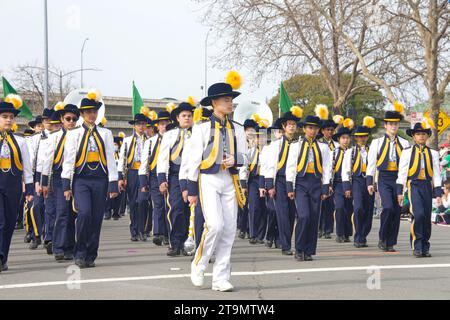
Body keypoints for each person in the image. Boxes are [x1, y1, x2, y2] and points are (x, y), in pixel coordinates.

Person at [187, 79, 247, 292]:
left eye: (231, 99)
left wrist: (237, 160)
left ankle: (220, 278)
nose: (230, 103)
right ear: (214, 102)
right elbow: (192, 160)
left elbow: (245, 155)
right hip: (209, 179)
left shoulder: (237, 129)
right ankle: (199, 263)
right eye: (226, 99)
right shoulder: (201, 128)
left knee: (230, 229)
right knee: (215, 225)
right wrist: (192, 190)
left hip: (229, 179)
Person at [61, 89, 119, 268]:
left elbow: (110, 158)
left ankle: (91, 254)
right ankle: (80, 252)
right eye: (88, 112)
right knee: (84, 214)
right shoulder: (73, 134)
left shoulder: (106, 133)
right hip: (81, 179)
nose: (91, 115)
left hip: (100, 179)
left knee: (96, 218)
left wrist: (113, 184)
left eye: (94, 111)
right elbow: (69, 159)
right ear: (82, 114)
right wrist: (66, 185)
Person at [285, 111, 332, 262]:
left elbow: (327, 167)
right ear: (304, 129)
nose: (312, 131)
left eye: (315, 128)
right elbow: (291, 167)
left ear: (318, 130)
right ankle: (299, 249)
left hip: (316, 182)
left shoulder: (323, 147)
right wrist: (289, 188)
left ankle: (309, 250)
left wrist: (325, 187)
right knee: (304, 216)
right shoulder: (296, 146)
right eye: (309, 128)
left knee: (313, 217)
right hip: (301, 183)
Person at [366, 102, 410, 252]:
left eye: (396, 124)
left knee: (397, 210)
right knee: (388, 207)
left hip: (398, 179)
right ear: (385, 125)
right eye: (390, 124)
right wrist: (370, 182)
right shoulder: (376, 142)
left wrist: (406, 183)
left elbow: (406, 166)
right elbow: (371, 164)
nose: (393, 127)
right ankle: (382, 237)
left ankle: (390, 242)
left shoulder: (404, 143)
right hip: (384, 178)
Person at [396, 117, 442, 257]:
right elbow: (402, 172)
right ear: (413, 136)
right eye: (418, 134)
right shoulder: (407, 152)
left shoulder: (433, 153)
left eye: (423, 134)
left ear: (427, 136)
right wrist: (400, 192)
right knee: (419, 214)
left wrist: (438, 194)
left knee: (426, 217)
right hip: (413, 185)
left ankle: (425, 246)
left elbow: (436, 175)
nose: (421, 136)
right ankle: (417, 245)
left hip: (427, 186)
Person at [41, 103, 79, 261]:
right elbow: (47, 160)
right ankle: (58, 247)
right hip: (57, 177)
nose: (71, 122)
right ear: (62, 120)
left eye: (74, 119)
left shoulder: (79, 135)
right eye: (68, 119)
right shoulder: (54, 137)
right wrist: (44, 183)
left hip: (74, 177)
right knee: (62, 212)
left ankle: (70, 247)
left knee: (72, 213)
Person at [0, 94, 34, 272]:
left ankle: (3, 256)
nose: (8, 120)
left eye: (11, 117)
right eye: (4, 117)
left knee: (10, 222)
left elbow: (27, 167)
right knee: (1, 221)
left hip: (13, 186)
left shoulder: (20, 141)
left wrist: (29, 188)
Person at [157, 102, 195, 256]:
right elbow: (163, 158)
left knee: (191, 211)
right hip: (174, 175)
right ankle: (175, 242)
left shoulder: (198, 134)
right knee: (177, 209)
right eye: (184, 116)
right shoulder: (170, 135)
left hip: (192, 176)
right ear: (178, 118)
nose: (187, 118)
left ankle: (189, 242)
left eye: (189, 116)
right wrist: (161, 179)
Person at [265, 106, 302, 256]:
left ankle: (283, 239)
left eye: (294, 124)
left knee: (292, 214)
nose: (292, 127)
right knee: (282, 213)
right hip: (280, 180)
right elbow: (269, 166)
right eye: (289, 124)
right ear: (284, 127)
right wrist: (270, 185)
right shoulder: (275, 145)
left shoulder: (300, 144)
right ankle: (285, 244)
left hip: (294, 181)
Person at [342, 116, 376, 248]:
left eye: (364, 136)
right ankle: (358, 236)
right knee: (358, 208)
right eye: (359, 136)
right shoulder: (350, 152)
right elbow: (345, 169)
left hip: (369, 181)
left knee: (368, 210)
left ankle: (364, 234)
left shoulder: (372, 150)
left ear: (367, 137)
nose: (362, 139)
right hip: (357, 181)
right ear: (355, 138)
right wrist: (347, 187)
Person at [139, 109, 171, 246]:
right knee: (158, 205)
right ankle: (158, 233)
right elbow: (144, 163)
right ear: (157, 125)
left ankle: (170, 233)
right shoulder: (150, 142)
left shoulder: (175, 139)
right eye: (161, 124)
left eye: (166, 123)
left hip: (171, 175)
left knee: (170, 205)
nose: (164, 126)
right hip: (154, 176)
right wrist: (143, 182)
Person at [118, 111, 149, 241]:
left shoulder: (149, 140)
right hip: (131, 173)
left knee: (142, 201)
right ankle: (134, 230)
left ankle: (142, 230)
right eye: (138, 124)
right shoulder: (127, 140)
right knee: (132, 203)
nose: (141, 127)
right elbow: (122, 160)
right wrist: (121, 177)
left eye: (143, 124)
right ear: (134, 126)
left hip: (145, 173)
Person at [240, 115, 269, 245]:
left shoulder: (269, 151)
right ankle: (253, 234)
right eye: (257, 137)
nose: (259, 139)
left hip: (267, 180)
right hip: (253, 181)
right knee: (254, 207)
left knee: (265, 209)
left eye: (262, 136)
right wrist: (243, 184)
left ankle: (261, 235)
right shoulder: (250, 151)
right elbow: (244, 167)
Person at [317, 106, 340, 239]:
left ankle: (328, 229)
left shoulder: (336, 145)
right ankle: (319, 228)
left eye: (332, 130)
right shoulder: (319, 144)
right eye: (327, 130)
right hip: (322, 178)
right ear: (323, 131)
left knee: (331, 205)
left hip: (335, 178)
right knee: (320, 204)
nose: (330, 132)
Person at [331, 118, 354, 243]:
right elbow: (330, 169)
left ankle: (347, 233)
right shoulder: (333, 153)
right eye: (343, 138)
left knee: (348, 208)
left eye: (347, 138)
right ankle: (340, 233)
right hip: (338, 184)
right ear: (339, 140)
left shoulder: (353, 152)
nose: (345, 140)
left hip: (350, 183)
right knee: (339, 207)